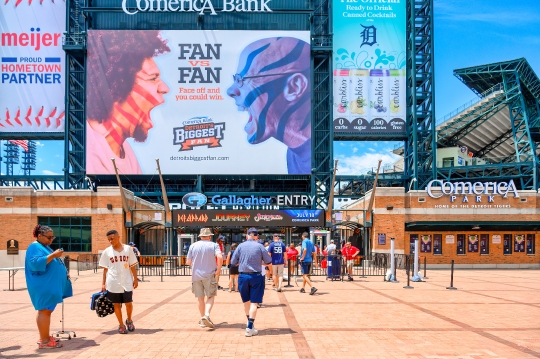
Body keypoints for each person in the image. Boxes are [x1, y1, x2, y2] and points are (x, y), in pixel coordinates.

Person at [86, 30, 170, 174]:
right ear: (120, 83)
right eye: (152, 78)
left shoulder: (125, 152)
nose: (165, 88)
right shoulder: (88, 152)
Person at [227, 37, 312, 174]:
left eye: (241, 80)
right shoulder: (293, 154)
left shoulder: (323, 156)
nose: (231, 91)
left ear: (294, 87)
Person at [26, 224, 72, 349]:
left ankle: (45, 336)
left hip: (48, 285)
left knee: (47, 311)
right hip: (43, 285)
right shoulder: (34, 247)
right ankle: (45, 342)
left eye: (53, 237)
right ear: (39, 236)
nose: (51, 240)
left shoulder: (43, 246)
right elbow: (34, 263)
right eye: (49, 237)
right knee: (44, 311)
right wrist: (53, 255)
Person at [231, 228, 272, 337]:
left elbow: (233, 262)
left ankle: (250, 324)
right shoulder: (260, 246)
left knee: (246, 301)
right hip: (256, 276)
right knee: (254, 302)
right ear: (256, 237)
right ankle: (249, 327)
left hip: (243, 276)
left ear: (247, 236)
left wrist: (242, 263)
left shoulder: (240, 246)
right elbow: (268, 261)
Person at [99, 230, 138, 334]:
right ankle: (121, 325)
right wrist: (103, 283)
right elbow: (105, 269)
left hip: (126, 281)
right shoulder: (107, 252)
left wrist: (135, 278)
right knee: (116, 304)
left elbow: (132, 265)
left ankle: (129, 320)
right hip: (113, 282)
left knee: (128, 303)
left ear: (118, 237)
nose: (111, 241)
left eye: (112, 238)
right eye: (109, 240)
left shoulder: (128, 249)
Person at [186, 228, 223, 329]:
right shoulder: (214, 245)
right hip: (209, 274)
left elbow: (188, 262)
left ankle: (202, 319)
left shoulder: (193, 245)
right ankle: (206, 315)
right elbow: (219, 257)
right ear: (210, 236)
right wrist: (218, 269)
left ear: (200, 236)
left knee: (200, 297)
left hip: (196, 275)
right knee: (210, 296)